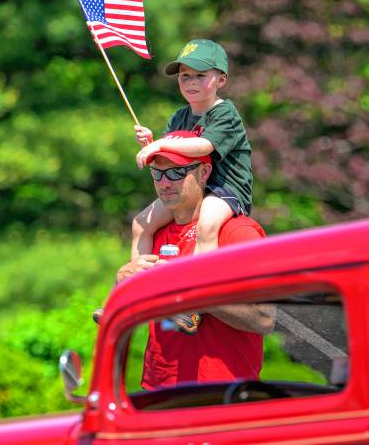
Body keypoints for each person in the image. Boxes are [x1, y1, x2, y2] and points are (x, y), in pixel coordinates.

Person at [116, 139, 275, 389]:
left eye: (177, 172)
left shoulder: (237, 232)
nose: (165, 183)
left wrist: (195, 294)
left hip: (221, 397)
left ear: (204, 172)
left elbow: (264, 318)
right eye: (157, 174)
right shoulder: (153, 232)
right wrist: (124, 284)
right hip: (159, 391)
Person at [132, 39, 253, 258]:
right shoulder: (179, 116)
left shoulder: (226, 114)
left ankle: (198, 281)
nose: (191, 82)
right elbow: (171, 157)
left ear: (221, 80)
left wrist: (161, 143)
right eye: (184, 76)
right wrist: (152, 144)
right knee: (140, 223)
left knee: (205, 226)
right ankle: (138, 278)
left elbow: (204, 146)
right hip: (189, 187)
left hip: (224, 190)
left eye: (200, 75)